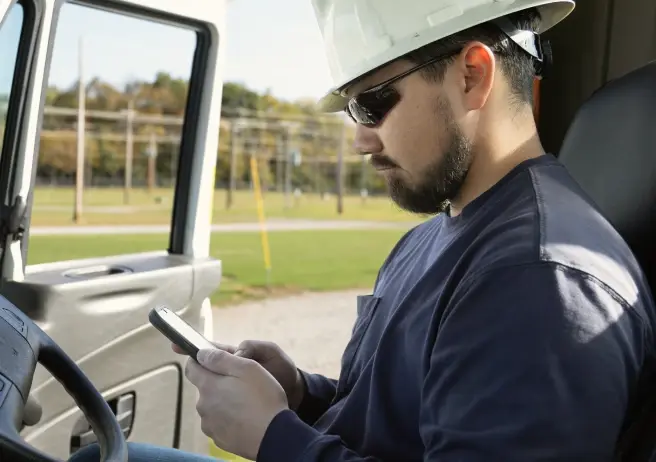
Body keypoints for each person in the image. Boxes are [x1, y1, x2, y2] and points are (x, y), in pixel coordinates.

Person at [66, 0, 656, 460]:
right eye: (354, 110)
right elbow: (396, 425)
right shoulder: (436, 235)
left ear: (473, 75)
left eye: (374, 103)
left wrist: (275, 438)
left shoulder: (540, 280)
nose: (360, 138)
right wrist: (299, 393)